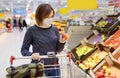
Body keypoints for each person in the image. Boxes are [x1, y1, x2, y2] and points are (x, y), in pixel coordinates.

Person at [21, 3, 67, 77]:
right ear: (39, 16)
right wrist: (31, 54)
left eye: (51, 16)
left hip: (54, 67)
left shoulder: (54, 29)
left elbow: (58, 50)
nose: (50, 19)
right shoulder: (31, 30)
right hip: (39, 67)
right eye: (47, 17)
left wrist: (61, 43)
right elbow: (23, 50)